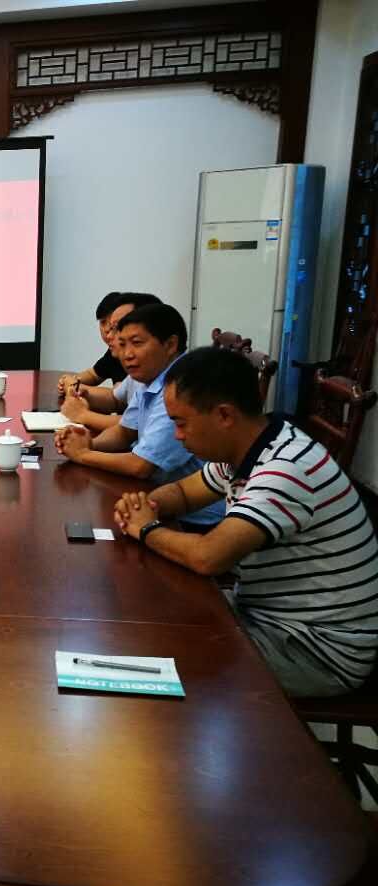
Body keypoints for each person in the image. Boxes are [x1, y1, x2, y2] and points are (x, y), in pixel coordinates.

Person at [112, 347, 378, 697]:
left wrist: (146, 528)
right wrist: (148, 505)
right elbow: (185, 493)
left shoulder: (285, 469)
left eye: (181, 423)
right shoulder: (251, 445)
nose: (177, 435)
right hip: (267, 617)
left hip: (315, 649)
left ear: (224, 415)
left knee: (162, 656)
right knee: (151, 621)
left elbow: (208, 557)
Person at [55, 302, 226, 529]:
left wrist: (83, 454)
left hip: (192, 520)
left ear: (170, 344)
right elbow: (124, 432)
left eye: (136, 343)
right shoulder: (150, 377)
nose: (126, 354)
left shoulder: (181, 387)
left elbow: (141, 466)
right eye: (122, 344)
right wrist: (89, 444)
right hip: (160, 499)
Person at [56, 292, 161, 399]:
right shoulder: (115, 354)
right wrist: (73, 382)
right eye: (103, 323)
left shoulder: (162, 381)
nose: (108, 332)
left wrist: (75, 389)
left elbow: (118, 400)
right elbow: (113, 396)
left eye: (116, 327)